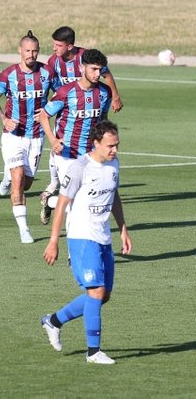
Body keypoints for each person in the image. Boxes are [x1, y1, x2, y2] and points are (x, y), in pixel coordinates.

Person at [41, 120, 131, 364]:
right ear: (96, 143)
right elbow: (61, 205)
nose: (115, 150)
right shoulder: (80, 168)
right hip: (81, 236)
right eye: (110, 146)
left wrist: (122, 229)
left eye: (117, 145)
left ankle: (53, 321)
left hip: (103, 236)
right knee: (96, 291)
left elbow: (114, 196)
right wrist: (53, 241)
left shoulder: (114, 164)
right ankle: (93, 351)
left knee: (103, 296)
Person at [39, 26, 123, 217]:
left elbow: (102, 120)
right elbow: (44, 116)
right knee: (78, 203)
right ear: (81, 67)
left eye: (99, 70)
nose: (96, 74)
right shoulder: (65, 93)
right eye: (93, 69)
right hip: (67, 154)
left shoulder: (104, 92)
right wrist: (53, 141)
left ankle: (50, 201)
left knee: (86, 200)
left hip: (89, 154)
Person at [0, 31, 55, 243]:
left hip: (35, 136)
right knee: (18, 180)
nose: (31, 55)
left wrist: (48, 111)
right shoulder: (8, 75)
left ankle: (7, 176)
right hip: (13, 135)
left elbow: (61, 96)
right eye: (27, 51)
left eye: (35, 51)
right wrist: (3, 119)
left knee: (26, 184)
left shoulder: (47, 73)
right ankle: (24, 229)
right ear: (20, 50)